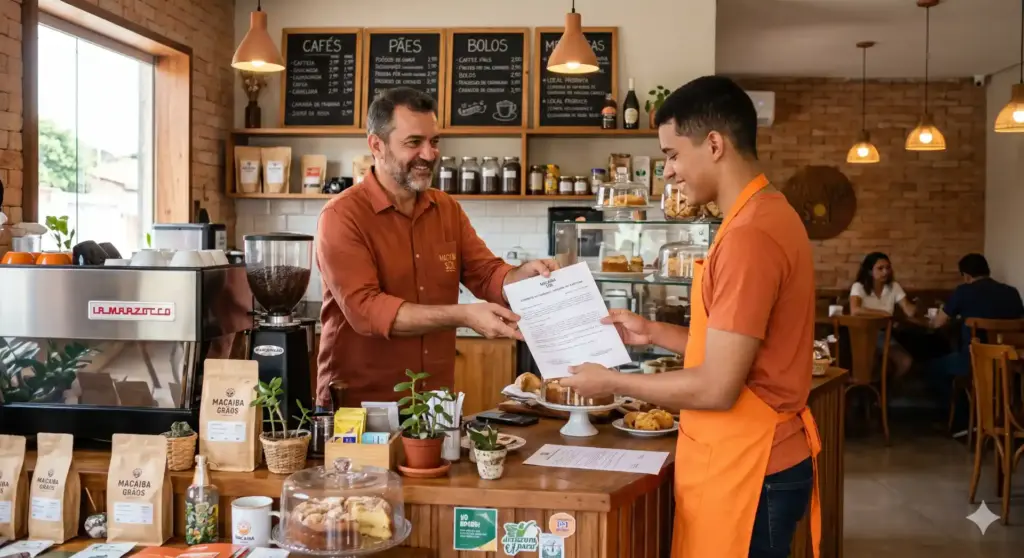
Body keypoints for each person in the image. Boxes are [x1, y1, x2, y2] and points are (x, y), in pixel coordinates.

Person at [560, 76, 820, 558]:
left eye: (672, 155)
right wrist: (652, 332)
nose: (670, 173)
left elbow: (717, 386)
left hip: (750, 467)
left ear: (715, 144)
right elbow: (739, 348)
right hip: (745, 459)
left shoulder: (750, 237)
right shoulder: (763, 214)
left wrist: (614, 383)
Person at [315, 87, 558, 407]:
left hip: (434, 401)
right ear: (377, 145)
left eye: (434, 142)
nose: (429, 154)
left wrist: (522, 275)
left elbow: (485, 274)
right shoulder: (341, 216)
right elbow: (367, 311)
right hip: (360, 405)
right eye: (414, 143)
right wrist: (464, 315)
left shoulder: (446, 209)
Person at [926, 253, 1024, 429]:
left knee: (933, 368)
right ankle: (1001, 419)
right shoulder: (1012, 292)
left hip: (973, 361)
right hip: (1009, 363)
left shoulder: (964, 291)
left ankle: (961, 421)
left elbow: (938, 323)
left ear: (966, 276)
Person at [849, 252, 914, 376]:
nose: (885, 272)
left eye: (888, 268)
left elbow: (908, 310)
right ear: (869, 271)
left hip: (886, 332)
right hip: (865, 333)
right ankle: (881, 390)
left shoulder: (893, 286)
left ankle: (890, 390)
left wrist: (918, 307)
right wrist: (882, 313)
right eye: (880, 268)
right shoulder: (859, 286)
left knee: (906, 360)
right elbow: (855, 310)